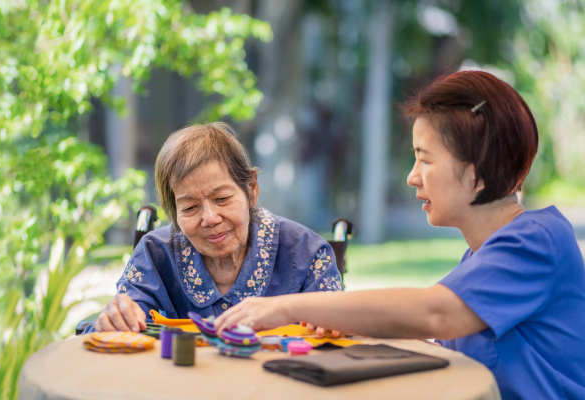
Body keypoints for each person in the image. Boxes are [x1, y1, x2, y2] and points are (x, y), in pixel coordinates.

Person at [215, 71, 585, 400]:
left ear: (479, 171)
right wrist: (347, 320)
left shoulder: (539, 242)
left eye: (425, 159)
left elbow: (434, 313)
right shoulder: (482, 256)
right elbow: (444, 347)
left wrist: (286, 306)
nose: (413, 177)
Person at [85, 122, 343, 334]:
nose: (209, 218)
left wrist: (332, 323)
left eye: (222, 199)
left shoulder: (306, 253)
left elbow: (340, 331)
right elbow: (116, 328)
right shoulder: (155, 255)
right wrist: (114, 319)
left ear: (251, 190)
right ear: (173, 213)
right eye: (190, 208)